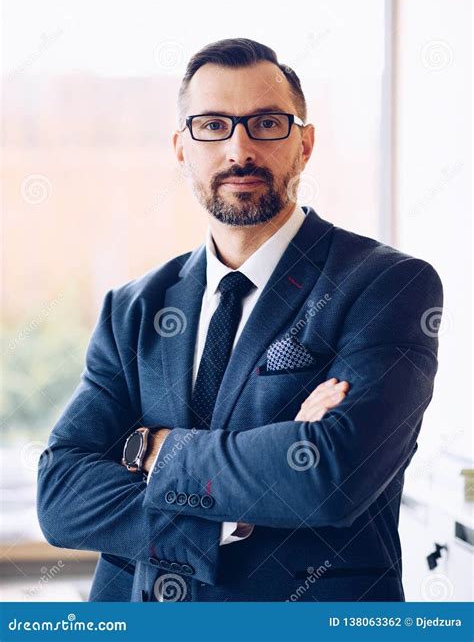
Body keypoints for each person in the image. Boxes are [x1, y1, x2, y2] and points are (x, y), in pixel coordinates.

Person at [37, 37, 443, 602]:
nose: (239, 149)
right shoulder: (133, 308)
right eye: (212, 126)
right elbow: (61, 496)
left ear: (304, 144)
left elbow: (329, 476)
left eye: (267, 123)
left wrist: (152, 449)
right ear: (182, 148)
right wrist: (226, 513)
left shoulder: (385, 285)